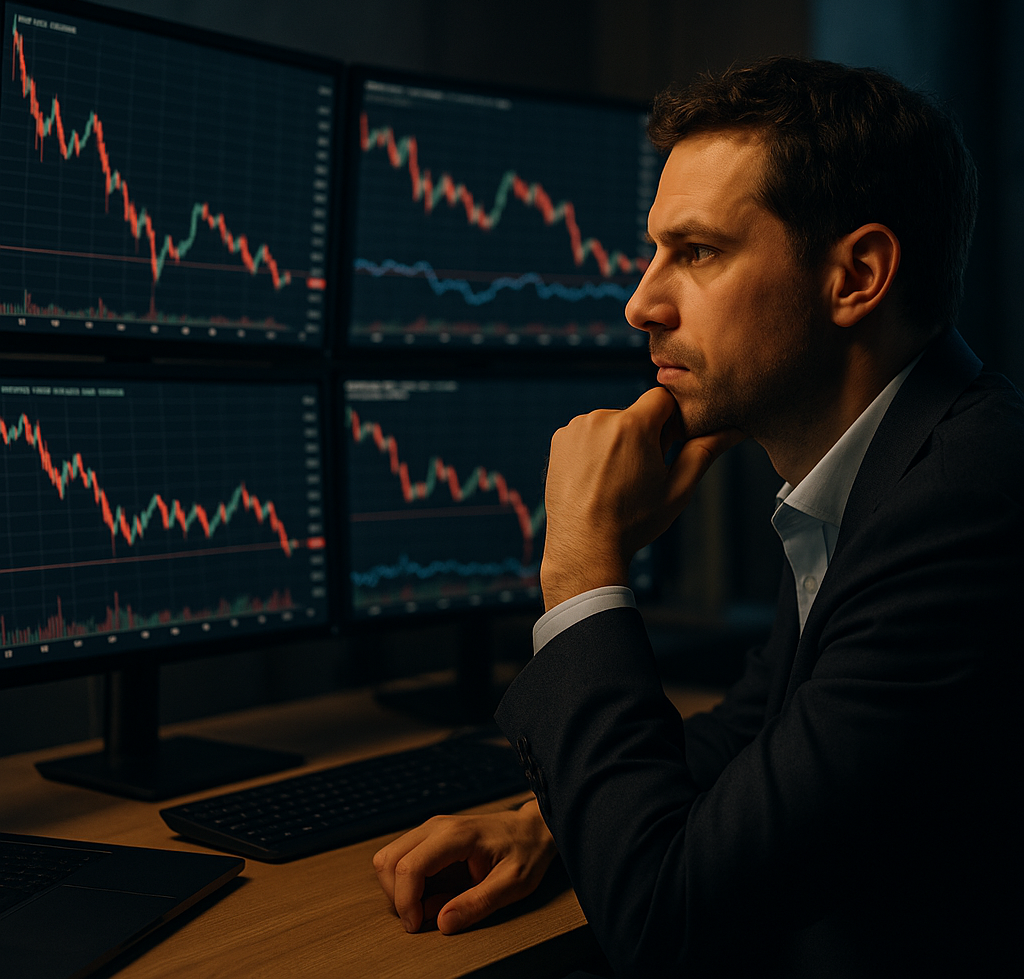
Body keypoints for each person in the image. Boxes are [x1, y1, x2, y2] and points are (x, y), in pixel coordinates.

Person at [373, 58, 1023, 977]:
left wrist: (583, 566)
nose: (641, 301)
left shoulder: (961, 511)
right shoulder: (896, 467)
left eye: (699, 252)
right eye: (654, 252)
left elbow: (666, 918)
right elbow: (762, 732)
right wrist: (554, 819)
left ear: (858, 276)